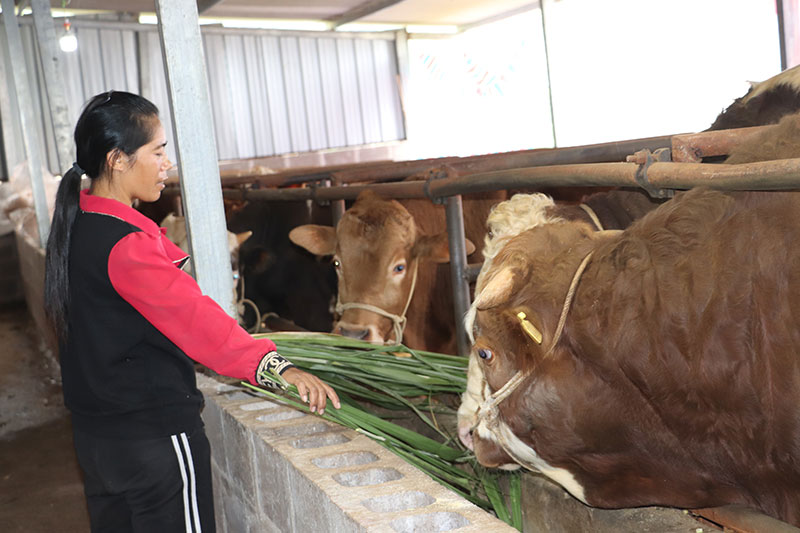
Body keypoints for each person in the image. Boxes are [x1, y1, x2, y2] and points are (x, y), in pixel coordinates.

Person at [44, 90, 340, 533]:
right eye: (158, 151)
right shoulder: (128, 246)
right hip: (153, 439)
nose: (166, 164)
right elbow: (197, 322)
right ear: (117, 159)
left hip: (97, 440)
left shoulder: (75, 227)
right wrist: (274, 366)